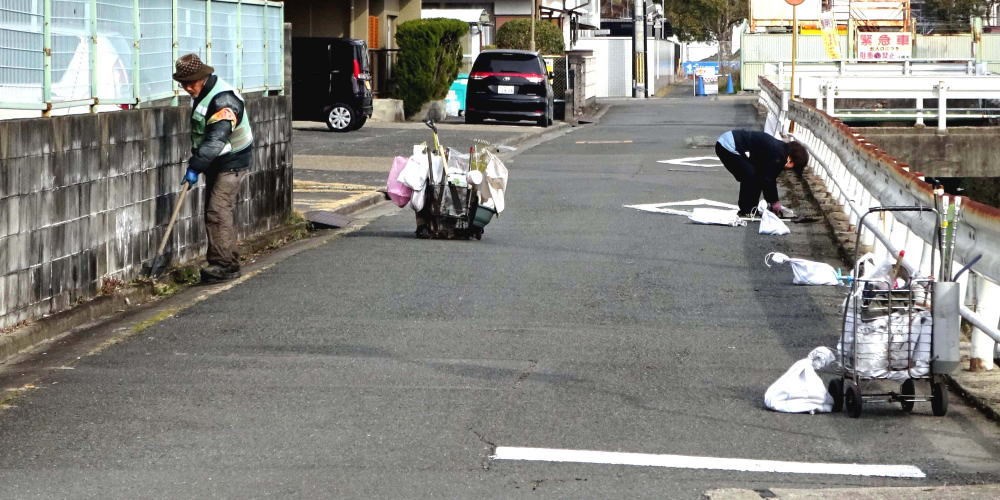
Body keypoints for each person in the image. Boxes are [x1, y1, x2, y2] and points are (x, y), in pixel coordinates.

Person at [173, 53, 254, 282]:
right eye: (183, 84)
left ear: (204, 77)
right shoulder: (203, 92)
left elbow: (216, 140)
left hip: (231, 162)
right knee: (216, 211)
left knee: (217, 212)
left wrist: (194, 167)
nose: (187, 88)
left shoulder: (223, 102)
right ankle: (225, 260)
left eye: (191, 82)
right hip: (216, 161)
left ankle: (225, 265)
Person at [714, 129, 809, 218]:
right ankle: (748, 210)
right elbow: (769, 180)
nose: (789, 169)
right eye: (793, 166)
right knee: (750, 176)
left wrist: (772, 201)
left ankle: (749, 209)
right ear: (790, 160)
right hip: (727, 146)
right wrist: (774, 203)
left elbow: (764, 177)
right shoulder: (778, 156)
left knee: (754, 175)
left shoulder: (779, 150)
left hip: (725, 142)